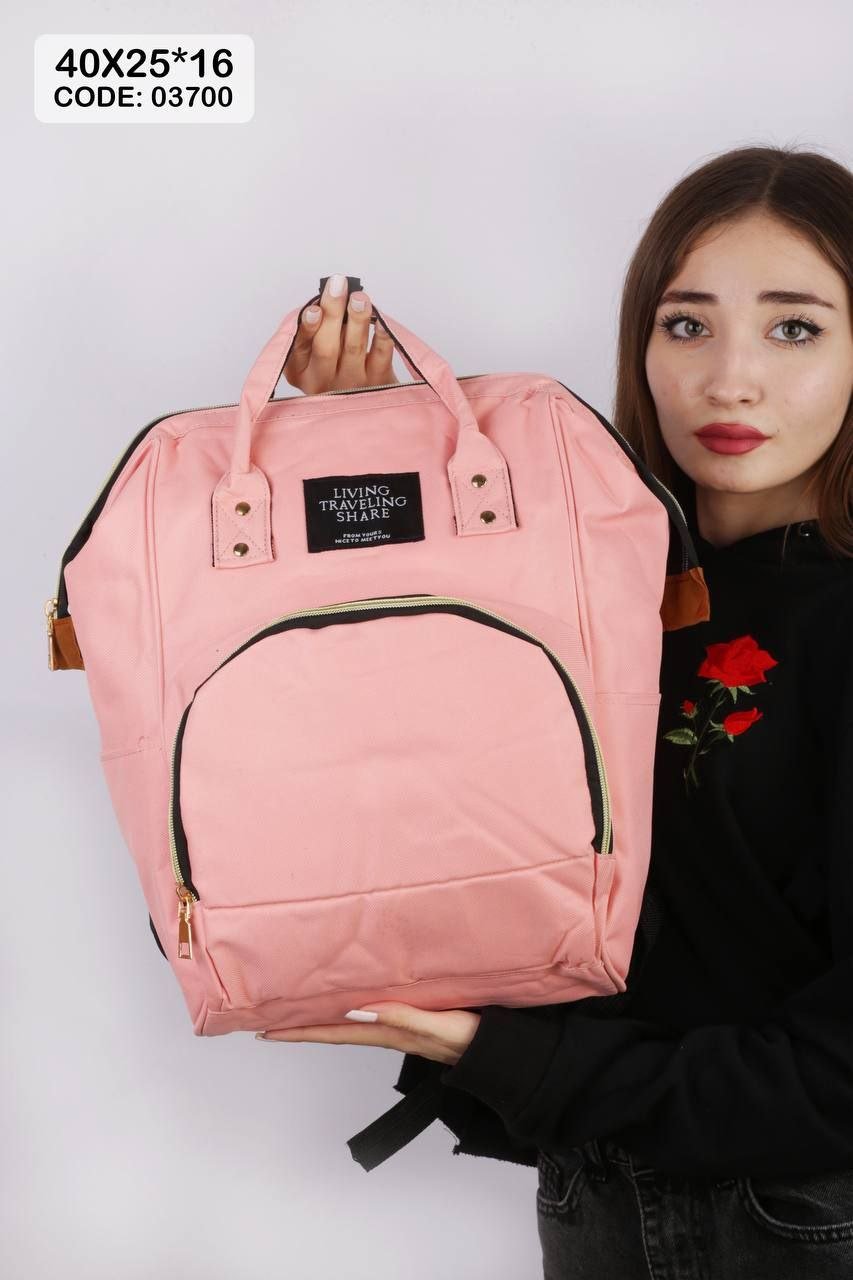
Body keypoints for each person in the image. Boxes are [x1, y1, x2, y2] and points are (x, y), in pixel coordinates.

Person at [260, 144, 853, 1278]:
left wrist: (524, 1063)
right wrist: (355, 448)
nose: (730, 378)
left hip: (803, 1220)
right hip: (592, 1198)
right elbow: (400, 746)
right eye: (686, 324)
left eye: (794, 328)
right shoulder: (581, 582)